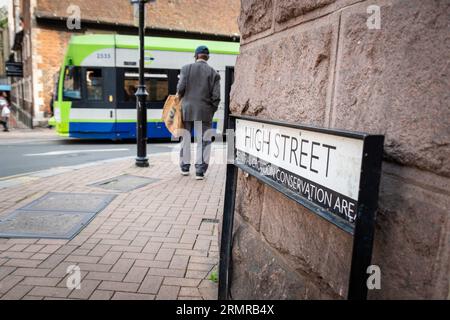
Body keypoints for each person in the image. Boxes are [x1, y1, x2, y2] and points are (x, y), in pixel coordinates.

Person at [177, 45, 221, 180]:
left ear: (196, 56)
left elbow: (180, 89)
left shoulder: (186, 69)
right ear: (207, 58)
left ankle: (185, 167)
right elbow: (216, 97)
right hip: (204, 112)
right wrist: (210, 111)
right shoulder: (214, 73)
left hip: (187, 110)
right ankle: (200, 171)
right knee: (204, 141)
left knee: (185, 138)